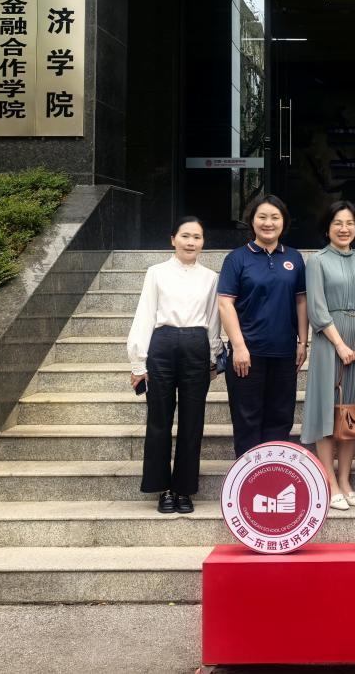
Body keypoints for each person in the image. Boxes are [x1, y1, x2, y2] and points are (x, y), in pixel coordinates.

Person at [127, 215, 223, 514]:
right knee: (159, 419)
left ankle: (184, 489)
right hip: (163, 344)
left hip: (196, 345)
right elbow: (145, 314)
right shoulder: (156, 273)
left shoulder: (211, 277)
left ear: (203, 242)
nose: (191, 242)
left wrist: (213, 356)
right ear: (173, 239)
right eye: (185, 236)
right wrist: (138, 362)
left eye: (197, 237)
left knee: (192, 421)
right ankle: (162, 488)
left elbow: (214, 320)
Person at [218, 195, 308, 457]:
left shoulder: (294, 258)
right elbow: (225, 304)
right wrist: (238, 346)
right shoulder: (237, 258)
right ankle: (249, 476)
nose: (268, 223)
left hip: (284, 353)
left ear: (284, 222)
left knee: (280, 418)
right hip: (248, 354)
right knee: (247, 420)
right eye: (262, 217)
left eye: (275, 217)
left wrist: (302, 342)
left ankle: (273, 472)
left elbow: (301, 301)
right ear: (252, 221)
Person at [300, 201, 355, 510]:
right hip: (329, 343)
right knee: (327, 411)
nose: (344, 229)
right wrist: (340, 345)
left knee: (353, 412)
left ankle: (346, 481)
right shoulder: (317, 261)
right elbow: (317, 308)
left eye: (349, 223)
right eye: (337, 223)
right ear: (327, 227)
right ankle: (329, 483)